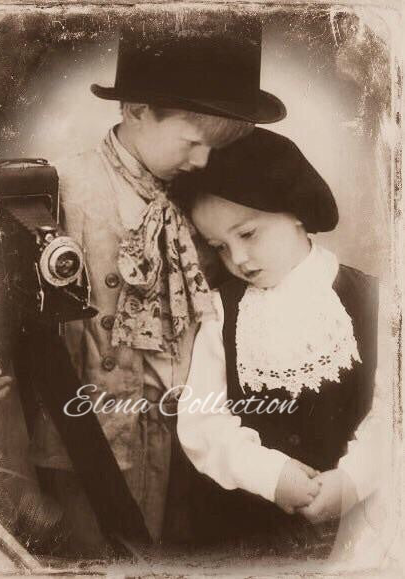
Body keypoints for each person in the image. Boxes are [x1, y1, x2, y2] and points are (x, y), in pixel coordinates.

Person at [0, 17, 286, 559]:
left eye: (214, 147)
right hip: (82, 460)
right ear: (136, 109)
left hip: (184, 462)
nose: (202, 160)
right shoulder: (53, 192)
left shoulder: (206, 200)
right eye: (192, 142)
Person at [174, 128, 381, 558]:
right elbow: (202, 421)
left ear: (296, 214)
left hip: (359, 527)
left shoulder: (375, 301)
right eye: (219, 247)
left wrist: (352, 481)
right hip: (244, 530)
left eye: (248, 234)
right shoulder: (222, 311)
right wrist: (269, 474)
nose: (237, 259)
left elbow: (394, 415)